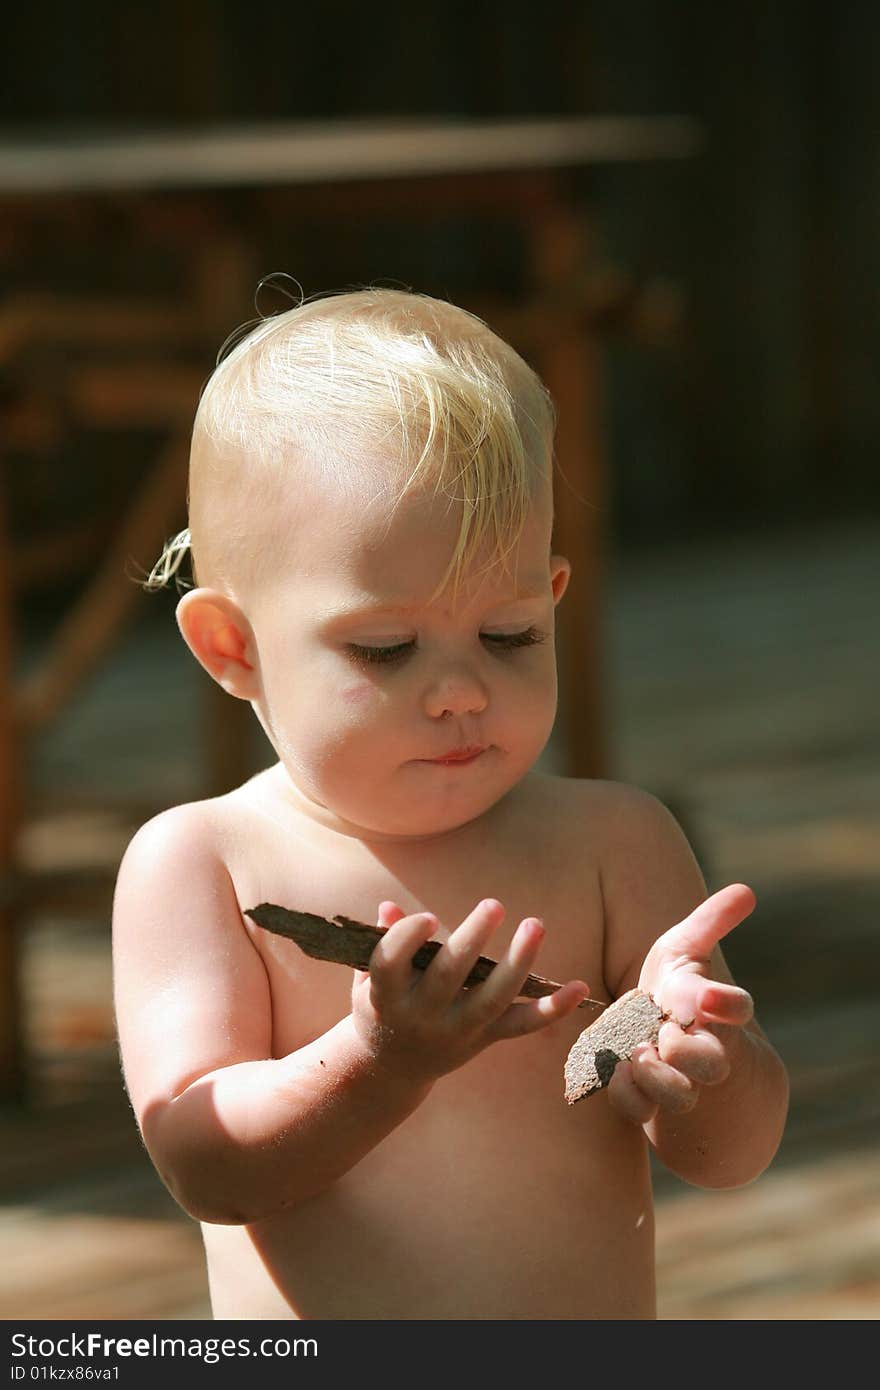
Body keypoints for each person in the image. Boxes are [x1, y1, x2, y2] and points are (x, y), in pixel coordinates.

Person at [112, 286, 789, 1321]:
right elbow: (206, 1161)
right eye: (386, 649)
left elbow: (728, 1158)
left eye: (509, 634)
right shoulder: (205, 862)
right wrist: (376, 1065)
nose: (463, 689)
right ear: (233, 648)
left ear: (555, 597)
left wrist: (706, 1061)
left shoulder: (614, 845)